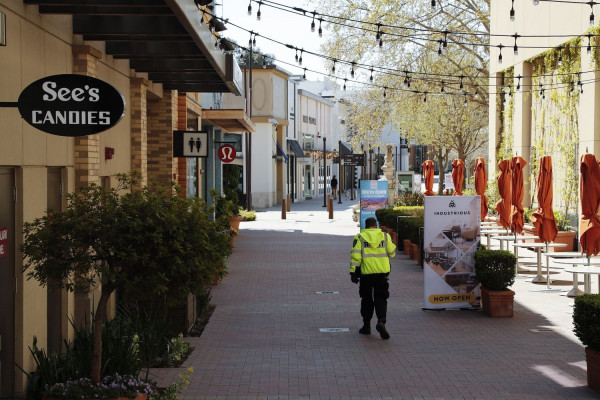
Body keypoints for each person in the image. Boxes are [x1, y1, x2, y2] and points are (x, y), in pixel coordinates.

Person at [349, 217, 396, 339]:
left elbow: (355, 257)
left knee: (366, 299)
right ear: (376, 226)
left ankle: (366, 326)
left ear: (365, 226)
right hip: (382, 273)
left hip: (366, 274)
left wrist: (353, 273)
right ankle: (381, 321)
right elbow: (392, 253)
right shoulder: (385, 236)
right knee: (381, 297)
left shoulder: (359, 237)